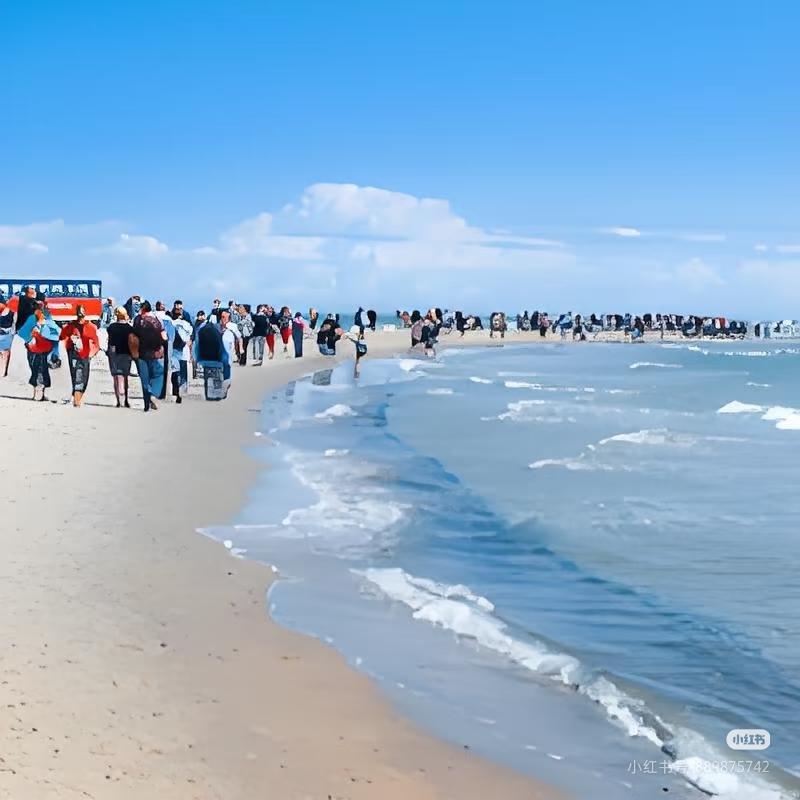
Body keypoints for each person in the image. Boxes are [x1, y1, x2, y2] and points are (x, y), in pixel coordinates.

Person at [60, 306, 100, 407]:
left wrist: (92, 353)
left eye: (82, 315)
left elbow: (96, 343)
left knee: (84, 377)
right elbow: (62, 336)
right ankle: (77, 401)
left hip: (85, 355)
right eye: (79, 315)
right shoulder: (71, 326)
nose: (80, 317)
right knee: (77, 376)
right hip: (73, 354)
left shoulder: (90, 327)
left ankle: (77, 397)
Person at [131, 300, 166, 412]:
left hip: (141, 354)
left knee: (144, 379)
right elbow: (164, 337)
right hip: (155, 353)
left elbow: (133, 336)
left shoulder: (137, 320)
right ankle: (153, 394)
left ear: (142, 309)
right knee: (157, 375)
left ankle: (146, 404)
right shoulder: (157, 320)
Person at [25, 307, 59, 401]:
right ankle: (38, 395)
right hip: (38, 351)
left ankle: (39, 394)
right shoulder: (46, 323)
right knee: (40, 371)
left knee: (38, 371)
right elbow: (56, 336)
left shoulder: (39, 323)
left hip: (36, 351)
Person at [106, 307, 133, 408]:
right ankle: (126, 400)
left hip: (114, 353)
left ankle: (118, 401)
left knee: (116, 377)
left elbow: (110, 342)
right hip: (126, 353)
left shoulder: (111, 327)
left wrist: (108, 352)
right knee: (125, 377)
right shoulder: (130, 328)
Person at [171, 308, 194, 403]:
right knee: (183, 371)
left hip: (174, 351)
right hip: (184, 350)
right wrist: (189, 342)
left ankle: (175, 391)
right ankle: (182, 390)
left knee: (175, 372)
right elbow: (192, 335)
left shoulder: (171, 323)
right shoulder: (187, 325)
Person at [218, 309, 241, 385]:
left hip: (229, 348)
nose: (224, 318)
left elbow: (239, 337)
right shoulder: (217, 326)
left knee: (227, 363)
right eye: (222, 317)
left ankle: (226, 380)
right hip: (219, 347)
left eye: (225, 317)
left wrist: (241, 348)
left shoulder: (233, 326)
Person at [0, 300, 14, 378]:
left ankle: (3, 371)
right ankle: (4, 371)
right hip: (7, 334)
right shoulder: (11, 311)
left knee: (4, 353)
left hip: (6, 334)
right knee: (5, 353)